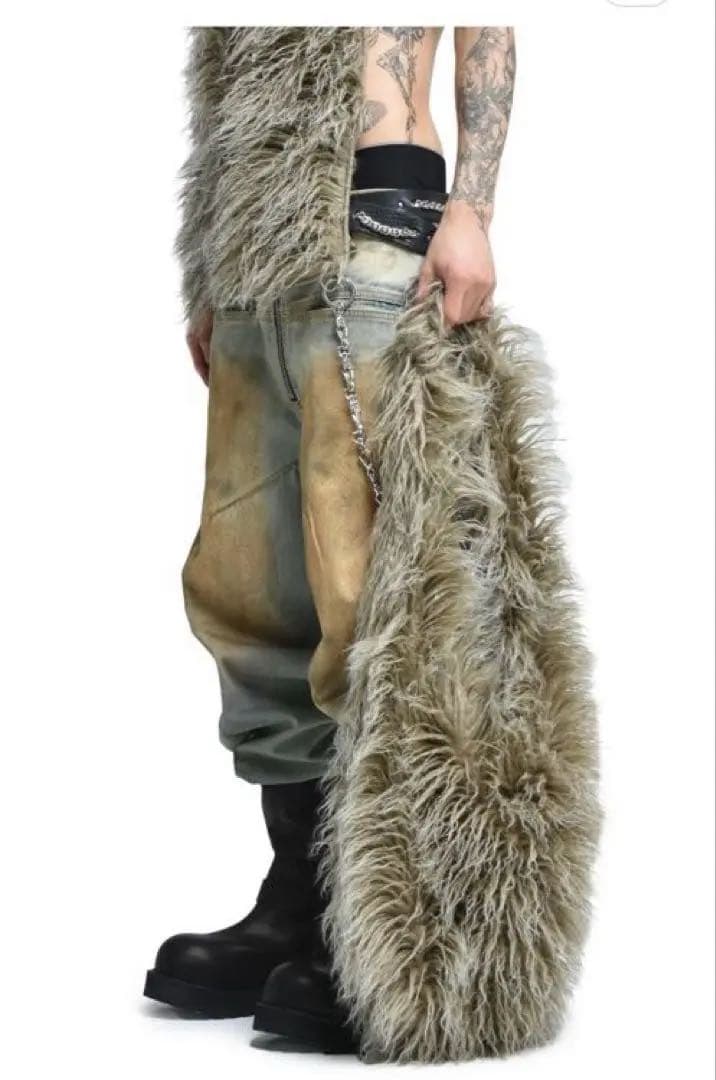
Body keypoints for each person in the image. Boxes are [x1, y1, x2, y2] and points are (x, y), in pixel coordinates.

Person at [144, 27, 599, 1063]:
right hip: (255, 242)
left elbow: (483, 22)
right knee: (250, 589)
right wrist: (208, 264)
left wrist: (470, 208)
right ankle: (300, 901)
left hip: (375, 217)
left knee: (371, 594)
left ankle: (386, 916)